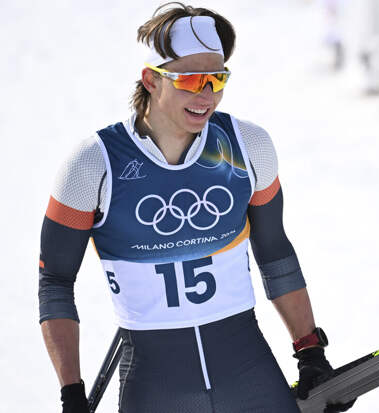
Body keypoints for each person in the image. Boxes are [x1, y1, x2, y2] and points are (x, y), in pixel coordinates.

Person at [38, 3, 355, 412]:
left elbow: (275, 253)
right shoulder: (93, 164)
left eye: (217, 79)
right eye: (190, 80)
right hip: (155, 387)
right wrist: (71, 394)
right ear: (151, 80)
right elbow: (56, 282)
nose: (206, 95)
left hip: (248, 374)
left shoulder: (247, 146)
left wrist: (309, 351)